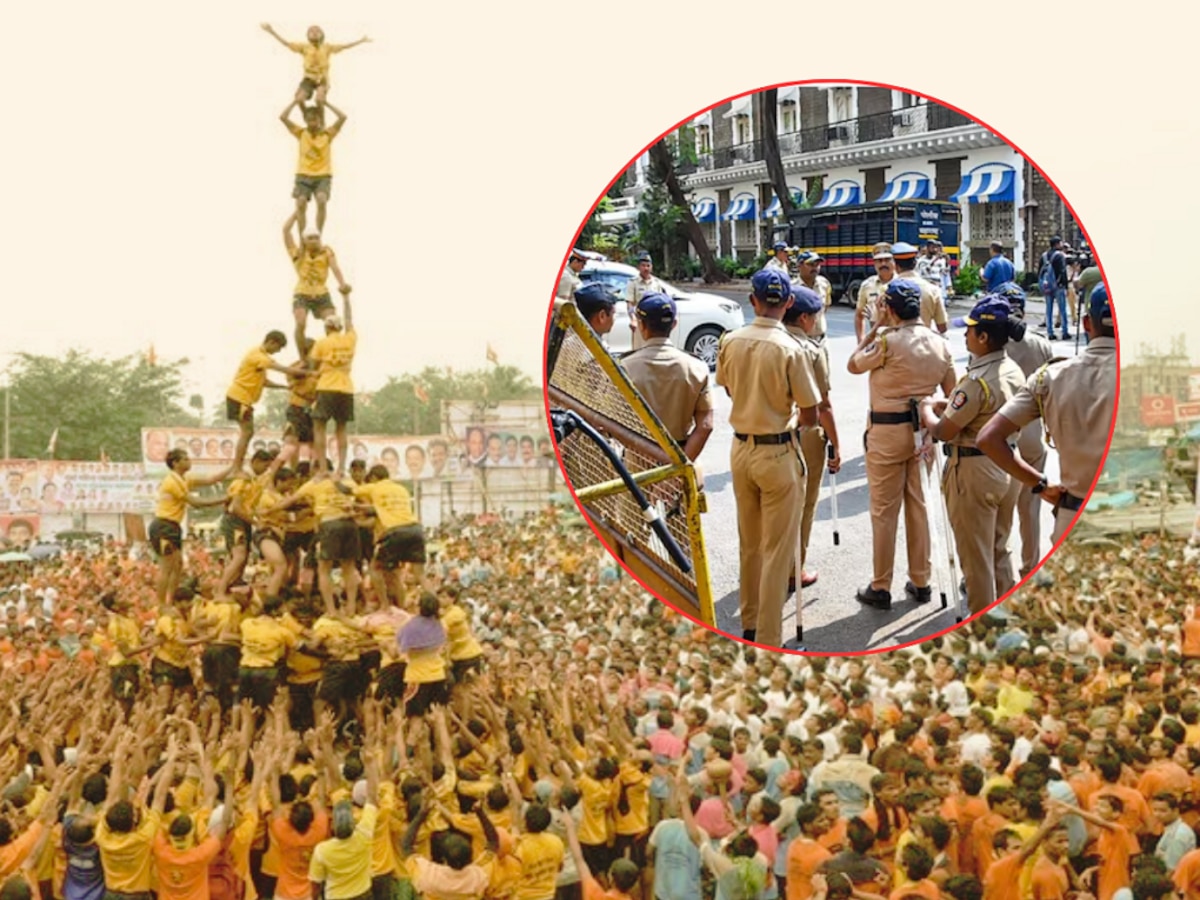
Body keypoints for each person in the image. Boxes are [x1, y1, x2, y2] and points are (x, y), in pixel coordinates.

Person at [715, 269, 820, 648]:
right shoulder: (791, 347)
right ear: (789, 303)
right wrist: (786, 417)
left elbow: (728, 388)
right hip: (779, 451)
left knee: (751, 543)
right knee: (778, 551)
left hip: (741, 449)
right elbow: (810, 414)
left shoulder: (730, 340)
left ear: (753, 299)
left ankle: (749, 622)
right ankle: (770, 636)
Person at [977, 283, 1117, 543]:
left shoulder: (1051, 377)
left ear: (1087, 323)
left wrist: (1041, 486)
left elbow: (988, 438)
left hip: (1074, 519)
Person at [847, 279, 956, 611]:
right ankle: (921, 580)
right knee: (919, 507)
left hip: (885, 434)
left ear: (890, 309)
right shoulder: (940, 344)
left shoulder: (885, 341)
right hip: (923, 434)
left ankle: (881, 585)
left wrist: (877, 324)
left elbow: (853, 363)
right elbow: (950, 396)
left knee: (884, 512)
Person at [918, 297, 1026, 615]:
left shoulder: (977, 381)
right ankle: (1006, 618)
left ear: (982, 337)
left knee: (976, 561)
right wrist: (949, 404)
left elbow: (943, 432)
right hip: (1008, 464)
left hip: (975, 470)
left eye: (969, 331)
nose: (964, 336)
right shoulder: (1011, 369)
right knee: (1000, 549)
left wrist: (927, 410)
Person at [781, 286, 842, 591]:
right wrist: (836, 445)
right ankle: (794, 570)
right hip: (803, 434)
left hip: (763, 434)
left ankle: (768, 568)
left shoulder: (763, 343)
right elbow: (823, 406)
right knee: (803, 506)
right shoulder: (811, 351)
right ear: (804, 318)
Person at [993, 282, 1054, 578]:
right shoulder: (1041, 342)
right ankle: (1031, 568)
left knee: (998, 511)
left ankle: (994, 572)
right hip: (1034, 435)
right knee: (1030, 510)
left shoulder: (993, 341)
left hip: (1002, 436)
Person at [619, 293, 714, 462]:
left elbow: (611, 423)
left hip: (637, 462)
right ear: (674, 324)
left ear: (641, 325)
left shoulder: (624, 367)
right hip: (680, 455)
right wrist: (680, 467)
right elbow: (705, 426)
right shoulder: (697, 367)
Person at [148, 449, 233, 609]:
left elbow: (211, 479)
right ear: (175, 463)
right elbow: (195, 503)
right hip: (163, 525)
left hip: (173, 526)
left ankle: (170, 600)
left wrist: (233, 467)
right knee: (167, 567)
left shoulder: (184, 478)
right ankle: (161, 604)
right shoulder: (172, 481)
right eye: (185, 459)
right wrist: (224, 499)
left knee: (178, 565)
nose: (189, 461)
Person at [225, 331, 307, 471]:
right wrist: (303, 373)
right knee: (247, 432)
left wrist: (284, 387)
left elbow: (264, 381)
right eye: (278, 347)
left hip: (243, 399)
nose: (278, 351)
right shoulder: (257, 355)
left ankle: (237, 466)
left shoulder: (261, 358)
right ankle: (236, 467)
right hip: (239, 397)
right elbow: (280, 368)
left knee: (248, 432)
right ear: (271, 342)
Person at [353, 465, 424, 608]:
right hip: (414, 528)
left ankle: (385, 605)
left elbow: (349, 490)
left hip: (393, 533)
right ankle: (403, 606)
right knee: (402, 575)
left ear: (373, 478)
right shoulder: (401, 489)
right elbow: (374, 512)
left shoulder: (375, 489)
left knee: (375, 569)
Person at [283, 213, 351, 351]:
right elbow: (286, 231)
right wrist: (297, 212)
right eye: (310, 238)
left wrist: (342, 283)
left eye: (317, 238)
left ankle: (331, 351)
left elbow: (335, 267)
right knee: (301, 323)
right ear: (304, 241)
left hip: (322, 293)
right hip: (302, 293)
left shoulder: (326, 251)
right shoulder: (297, 254)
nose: (314, 240)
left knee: (333, 322)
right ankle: (302, 356)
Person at [279, 99, 347, 235]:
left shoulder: (327, 134)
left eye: (315, 120)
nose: (312, 123)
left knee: (322, 200)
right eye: (309, 120)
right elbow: (283, 117)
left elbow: (343, 117)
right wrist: (295, 101)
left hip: (322, 176)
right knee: (301, 203)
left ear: (319, 120)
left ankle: (318, 235)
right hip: (303, 175)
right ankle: (303, 237)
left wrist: (326, 103)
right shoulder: (302, 133)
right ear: (306, 121)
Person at [260, 23, 370, 105]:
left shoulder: (327, 47)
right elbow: (286, 43)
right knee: (298, 99)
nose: (314, 32)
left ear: (322, 35)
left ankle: (320, 119)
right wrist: (271, 31)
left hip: (322, 79)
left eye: (317, 31)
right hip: (308, 79)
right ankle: (307, 115)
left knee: (319, 99)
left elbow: (345, 46)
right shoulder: (304, 47)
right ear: (308, 35)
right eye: (311, 31)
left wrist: (361, 40)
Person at [310, 295, 358, 478]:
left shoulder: (322, 343)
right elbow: (349, 320)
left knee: (319, 427)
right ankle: (341, 468)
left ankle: (323, 469)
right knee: (341, 429)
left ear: (327, 327)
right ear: (339, 327)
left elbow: (313, 366)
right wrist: (346, 299)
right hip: (346, 387)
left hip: (326, 386)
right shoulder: (350, 339)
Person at [892, 243, 947, 334]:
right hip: (924, 344)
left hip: (895, 345)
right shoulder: (933, 290)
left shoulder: (886, 290)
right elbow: (942, 327)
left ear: (895, 266)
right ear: (915, 264)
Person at [624, 254, 668, 352]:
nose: (646, 268)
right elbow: (630, 304)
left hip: (654, 323)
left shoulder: (656, 283)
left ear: (651, 267)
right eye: (643, 265)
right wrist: (633, 319)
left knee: (653, 350)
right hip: (640, 322)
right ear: (639, 267)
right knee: (639, 350)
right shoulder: (633, 283)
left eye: (648, 266)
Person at [855, 244, 896, 341]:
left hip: (899, 342)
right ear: (874, 263)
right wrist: (861, 340)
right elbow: (859, 316)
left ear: (894, 261)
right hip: (876, 342)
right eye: (879, 261)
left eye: (887, 260)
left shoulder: (904, 283)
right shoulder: (867, 285)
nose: (883, 264)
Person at [794, 251, 832, 341]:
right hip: (800, 340)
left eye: (817, 264)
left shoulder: (824, 284)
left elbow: (826, 306)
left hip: (821, 339)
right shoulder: (793, 288)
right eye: (811, 264)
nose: (815, 268)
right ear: (799, 265)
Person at [1039, 237, 1071, 341]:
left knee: (1049, 309)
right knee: (1062, 310)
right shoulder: (1060, 256)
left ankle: (1050, 332)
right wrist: (1065, 286)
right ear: (1057, 244)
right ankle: (1065, 332)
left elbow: (1039, 272)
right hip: (1058, 286)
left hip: (1047, 286)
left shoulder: (1044, 256)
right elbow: (1062, 271)